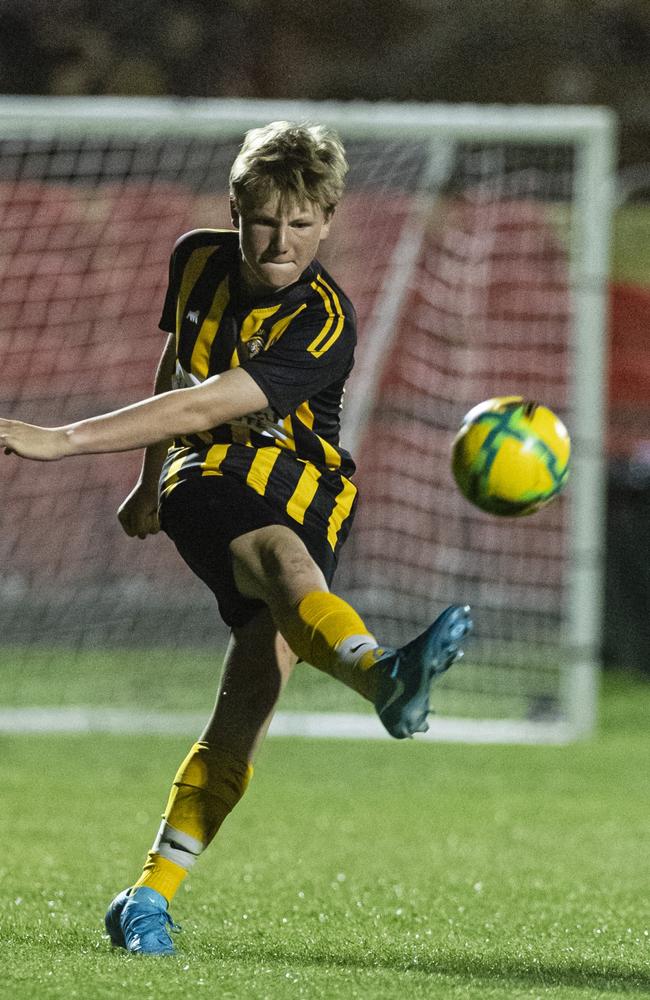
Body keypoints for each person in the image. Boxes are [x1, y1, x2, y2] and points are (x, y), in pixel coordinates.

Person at [0, 121, 472, 956]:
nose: (279, 241)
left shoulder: (327, 322)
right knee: (279, 562)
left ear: (328, 221)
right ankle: (382, 676)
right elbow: (179, 379)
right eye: (263, 220)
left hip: (311, 486)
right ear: (235, 209)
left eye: (300, 223)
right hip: (206, 472)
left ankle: (146, 897)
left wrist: (65, 437)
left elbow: (206, 394)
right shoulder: (195, 258)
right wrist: (147, 482)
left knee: (248, 702)